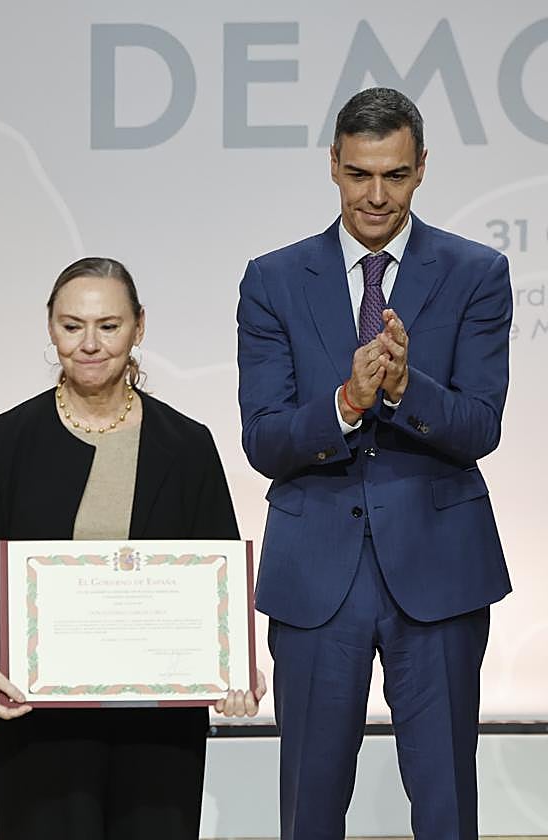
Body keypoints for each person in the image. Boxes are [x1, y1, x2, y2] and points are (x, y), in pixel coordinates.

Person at [236, 87, 511, 838]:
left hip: (440, 567)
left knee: (449, 803)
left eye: (394, 174)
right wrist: (345, 404)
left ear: (421, 168)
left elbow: (481, 424)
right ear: (333, 165)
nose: (377, 195)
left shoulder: (476, 272)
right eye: (360, 174)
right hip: (317, 571)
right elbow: (263, 439)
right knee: (311, 808)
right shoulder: (274, 280)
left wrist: (401, 388)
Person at [0, 257, 264, 839]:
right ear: (51, 329)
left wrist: (233, 667)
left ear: (138, 327)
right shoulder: (6, 440)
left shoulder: (187, 445)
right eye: (72, 327)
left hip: (160, 731)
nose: (90, 344)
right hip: (38, 723)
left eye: (109, 326)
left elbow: (216, 575)